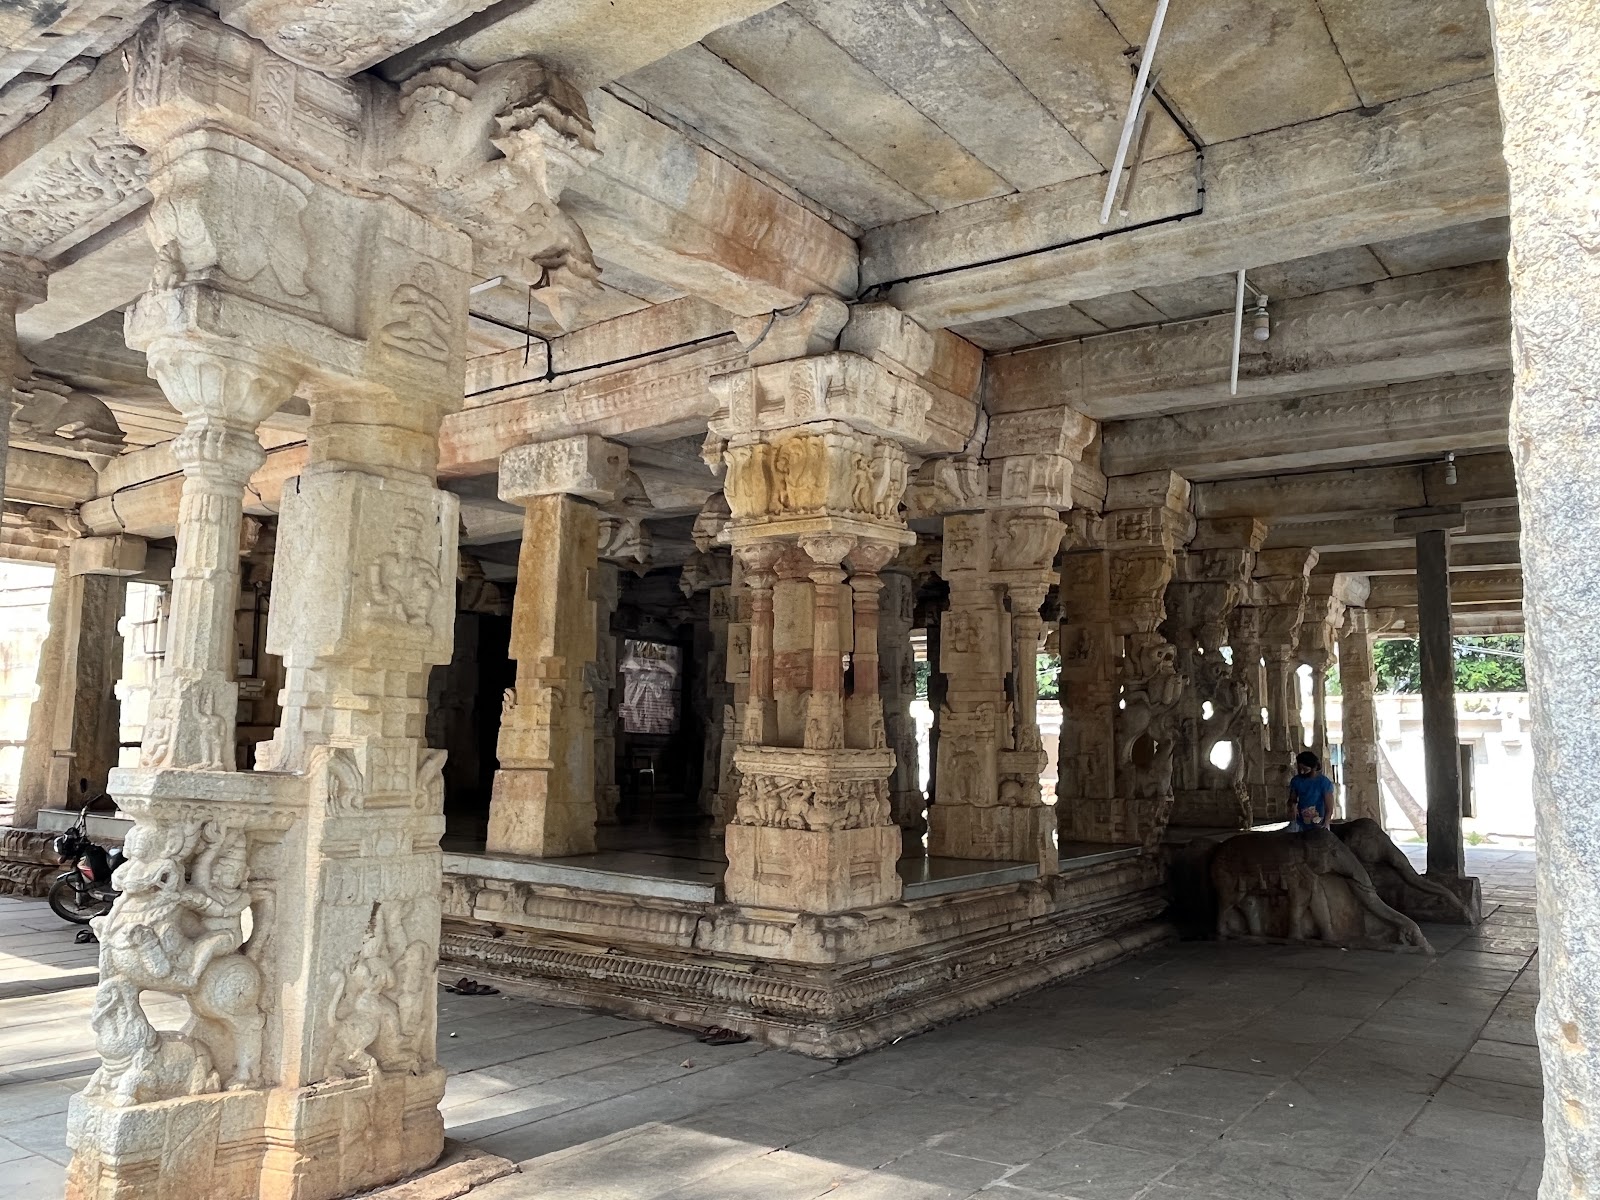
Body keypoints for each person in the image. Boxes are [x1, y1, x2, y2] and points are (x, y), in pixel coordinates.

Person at [1286, 750, 1334, 831]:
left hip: (1319, 822)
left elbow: (1329, 807)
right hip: (1300, 822)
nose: (1301, 772)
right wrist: (1292, 806)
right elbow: (1292, 799)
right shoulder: (1296, 781)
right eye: (1299, 769)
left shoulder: (1323, 782)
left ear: (1314, 768)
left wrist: (1326, 822)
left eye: (1305, 769)